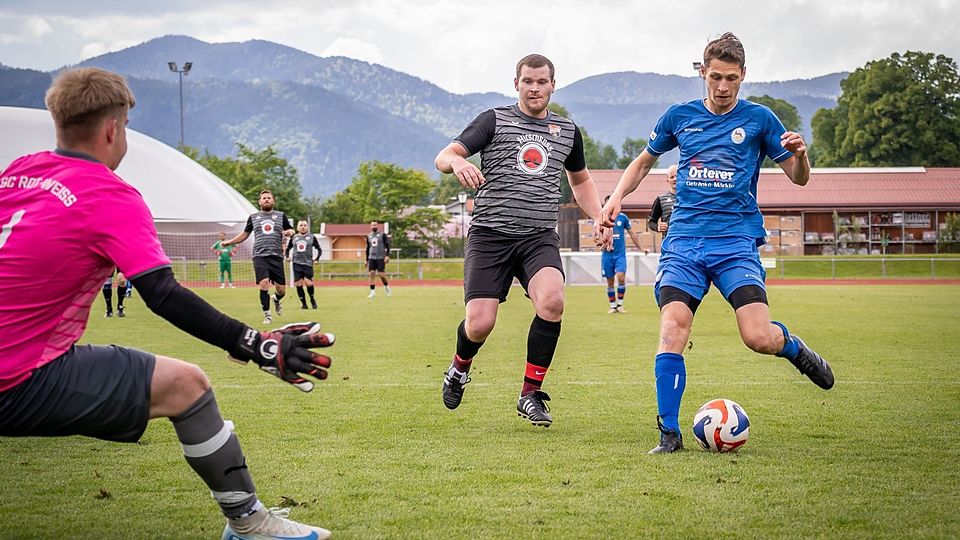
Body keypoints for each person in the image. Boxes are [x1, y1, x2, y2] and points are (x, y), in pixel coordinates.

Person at [0, 67, 335, 539]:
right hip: (17, 374)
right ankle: (249, 524)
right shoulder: (109, 194)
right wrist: (255, 344)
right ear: (113, 129)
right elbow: (162, 293)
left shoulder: (17, 172)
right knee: (186, 385)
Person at [602, 33, 834, 454]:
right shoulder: (680, 116)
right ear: (702, 73)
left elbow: (799, 179)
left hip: (735, 242)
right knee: (673, 326)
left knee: (758, 337)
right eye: (715, 77)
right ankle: (669, 433)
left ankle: (793, 348)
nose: (723, 87)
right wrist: (617, 195)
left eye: (731, 78)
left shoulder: (761, 119)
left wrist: (801, 155)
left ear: (743, 75)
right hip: (685, 242)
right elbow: (643, 161)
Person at [434, 54, 609, 427]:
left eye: (542, 81)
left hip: (537, 237)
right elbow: (444, 156)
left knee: (553, 301)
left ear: (553, 85)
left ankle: (530, 394)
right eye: (528, 81)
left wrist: (598, 216)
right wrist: (459, 162)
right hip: (490, 236)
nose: (534, 88)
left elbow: (580, 180)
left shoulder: (567, 131)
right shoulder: (493, 120)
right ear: (517, 84)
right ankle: (459, 368)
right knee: (480, 324)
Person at [222, 190, 294, 324]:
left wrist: (290, 232)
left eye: (269, 198)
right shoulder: (253, 217)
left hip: (276, 256)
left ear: (273, 201)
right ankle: (267, 316)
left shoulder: (280, 216)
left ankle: (276, 299)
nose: (266, 200)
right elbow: (245, 234)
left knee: (281, 290)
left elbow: (291, 230)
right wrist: (230, 242)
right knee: (264, 283)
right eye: (264, 198)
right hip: (259, 256)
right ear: (259, 202)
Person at [601, 195, 643, 314]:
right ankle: (612, 306)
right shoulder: (602, 218)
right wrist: (601, 242)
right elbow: (596, 236)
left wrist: (641, 248)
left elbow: (632, 233)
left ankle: (620, 304)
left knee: (621, 277)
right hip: (607, 255)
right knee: (610, 281)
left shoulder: (622, 217)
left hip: (620, 254)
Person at [286, 220, 322, 309]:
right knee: (298, 284)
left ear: (307, 227)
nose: (303, 227)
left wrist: (317, 259)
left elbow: (319, 249)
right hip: (296, 263)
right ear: (297, 227)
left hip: (307, 263)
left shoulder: (312, 237)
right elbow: (287, 249)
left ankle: (312, 299)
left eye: (305, 225)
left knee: (308, 283)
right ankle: (304, 304)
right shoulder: (294, 237)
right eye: (301, 225)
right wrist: (287, 257)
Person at [647, 164, 678, 235]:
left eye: (677, 176)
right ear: (667, 180)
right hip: (669, 240)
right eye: (672, 177)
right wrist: (658, 227)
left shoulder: (690, 198)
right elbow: (651, 222)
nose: (675, 179)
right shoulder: (661, 199)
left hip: (688, 240)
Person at [365, 220, 391, 298]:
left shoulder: (382, 235)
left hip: (380, 257)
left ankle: (386, 286)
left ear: (377, 226)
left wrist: (387, 255)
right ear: (370, 226)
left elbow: (387, 245)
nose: (374, 226)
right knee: (371, 273)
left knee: (381, 274)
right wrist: (366, 260)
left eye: (375, 225)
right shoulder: (369, 236)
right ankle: (372, 292)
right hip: (371, 257)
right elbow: (368, 248)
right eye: (373, 225)